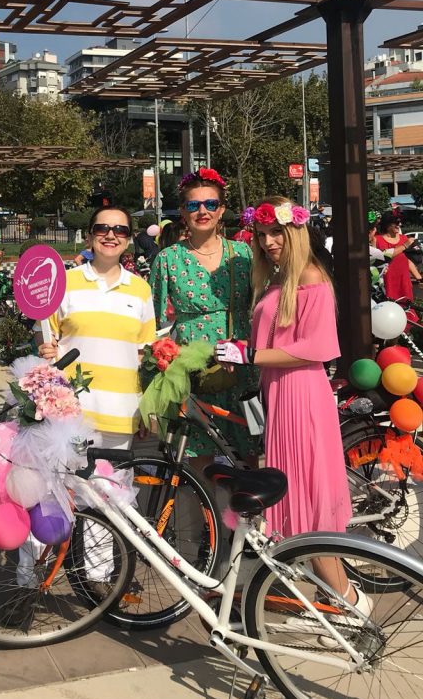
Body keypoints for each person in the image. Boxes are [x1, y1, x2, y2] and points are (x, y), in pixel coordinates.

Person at [215, 196, 370, 614]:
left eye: (276, 233)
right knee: (296, 502)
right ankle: (331, 602)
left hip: (302, 396)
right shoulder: (281, 278)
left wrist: (250, 355)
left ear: (295, 231)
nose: (268, 242)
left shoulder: (311, 277)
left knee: (309, 506)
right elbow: (274, 341)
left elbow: (316, 348)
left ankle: (351, 605)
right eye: (261, 235)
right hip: (280, 395)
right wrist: (241, 350)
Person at [149, 167, 256, 465]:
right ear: (183, 211)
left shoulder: (244, 254)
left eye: (210, 203)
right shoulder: (168, 258)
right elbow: (151, 318)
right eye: (194, 205)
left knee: (248, 453)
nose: (202, 211)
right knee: (198, 455)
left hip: (239, 362)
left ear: (221, 210)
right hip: (192, 367)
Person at [39, 206, 155, 447]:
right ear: (89, 236)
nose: (111, 235)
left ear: (129, 239)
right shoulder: (64, 282)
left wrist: (147, 407)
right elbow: (47, 338)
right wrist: (44, 348)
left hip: (122, 413)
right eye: (102, 228)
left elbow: (144, 355)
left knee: (115, 474)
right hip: (70, 412)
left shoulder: (141, 289)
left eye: (120, 230)